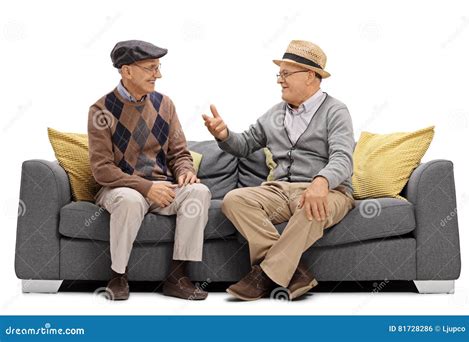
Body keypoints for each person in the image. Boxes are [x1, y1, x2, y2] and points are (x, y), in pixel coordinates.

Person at [203, 40, 355, 301]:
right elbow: (244, 144)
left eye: (286, 74)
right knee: (234, 200)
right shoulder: (274, 114)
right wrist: (224, 134)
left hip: (327, 192)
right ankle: (294, 272)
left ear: (310, 76)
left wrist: (321, 182)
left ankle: (262, 276)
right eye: (279, 74)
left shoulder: (335, 111)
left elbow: (343, 157)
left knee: (310, 207)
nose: (279, 81)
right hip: (279, 192)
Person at [88, 40, 211, 300]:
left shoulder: (165, 104)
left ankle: (177, 276)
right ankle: (118, 276)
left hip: (162, 187)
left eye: (158, 67)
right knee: (130, 201)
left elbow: (179, 153)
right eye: (151, 68)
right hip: (120, 189)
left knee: (199, 192)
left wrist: (185, 171)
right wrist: (146, 187)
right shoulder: (101, 110)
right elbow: (102, 170)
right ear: (126, 71)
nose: (159, 75)